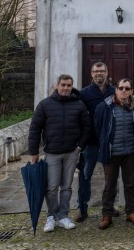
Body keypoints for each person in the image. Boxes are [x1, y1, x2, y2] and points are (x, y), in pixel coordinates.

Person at [28, 74, 91, 233]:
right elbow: (35, 129)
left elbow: (86, 127)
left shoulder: (79, 105)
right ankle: (51, 216)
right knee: (51, 187)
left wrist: (80, 147)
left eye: (69, 85)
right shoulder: (45, 105)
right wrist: (33, 152)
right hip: (52, 153)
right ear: (57, 85)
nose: (66, 88)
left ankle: (63, 216)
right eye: (63, 85)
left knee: (67, 187)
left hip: (72, 152)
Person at [95, 78, 134, 229]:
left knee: (130, 184)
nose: (124, 91)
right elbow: (98, 128)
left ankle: (131, 213)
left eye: (127, 88)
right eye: (121, 88)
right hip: (111, 153)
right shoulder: (104, 106)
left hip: (130, 152)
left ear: (131, 91)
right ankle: (107, 215)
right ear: (116, 90)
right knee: (109, 185)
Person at [76, 62, 115, 222]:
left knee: (111, 177)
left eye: (102, 71)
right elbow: (78, 117)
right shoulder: (84, 93)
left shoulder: (115, 91)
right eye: (96, 71)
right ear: (91, 74)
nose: (99, 74)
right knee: (85, 176)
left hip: (110, 141)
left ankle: (110, 207)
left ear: (107, 73)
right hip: (90, 142)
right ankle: (82, 208)